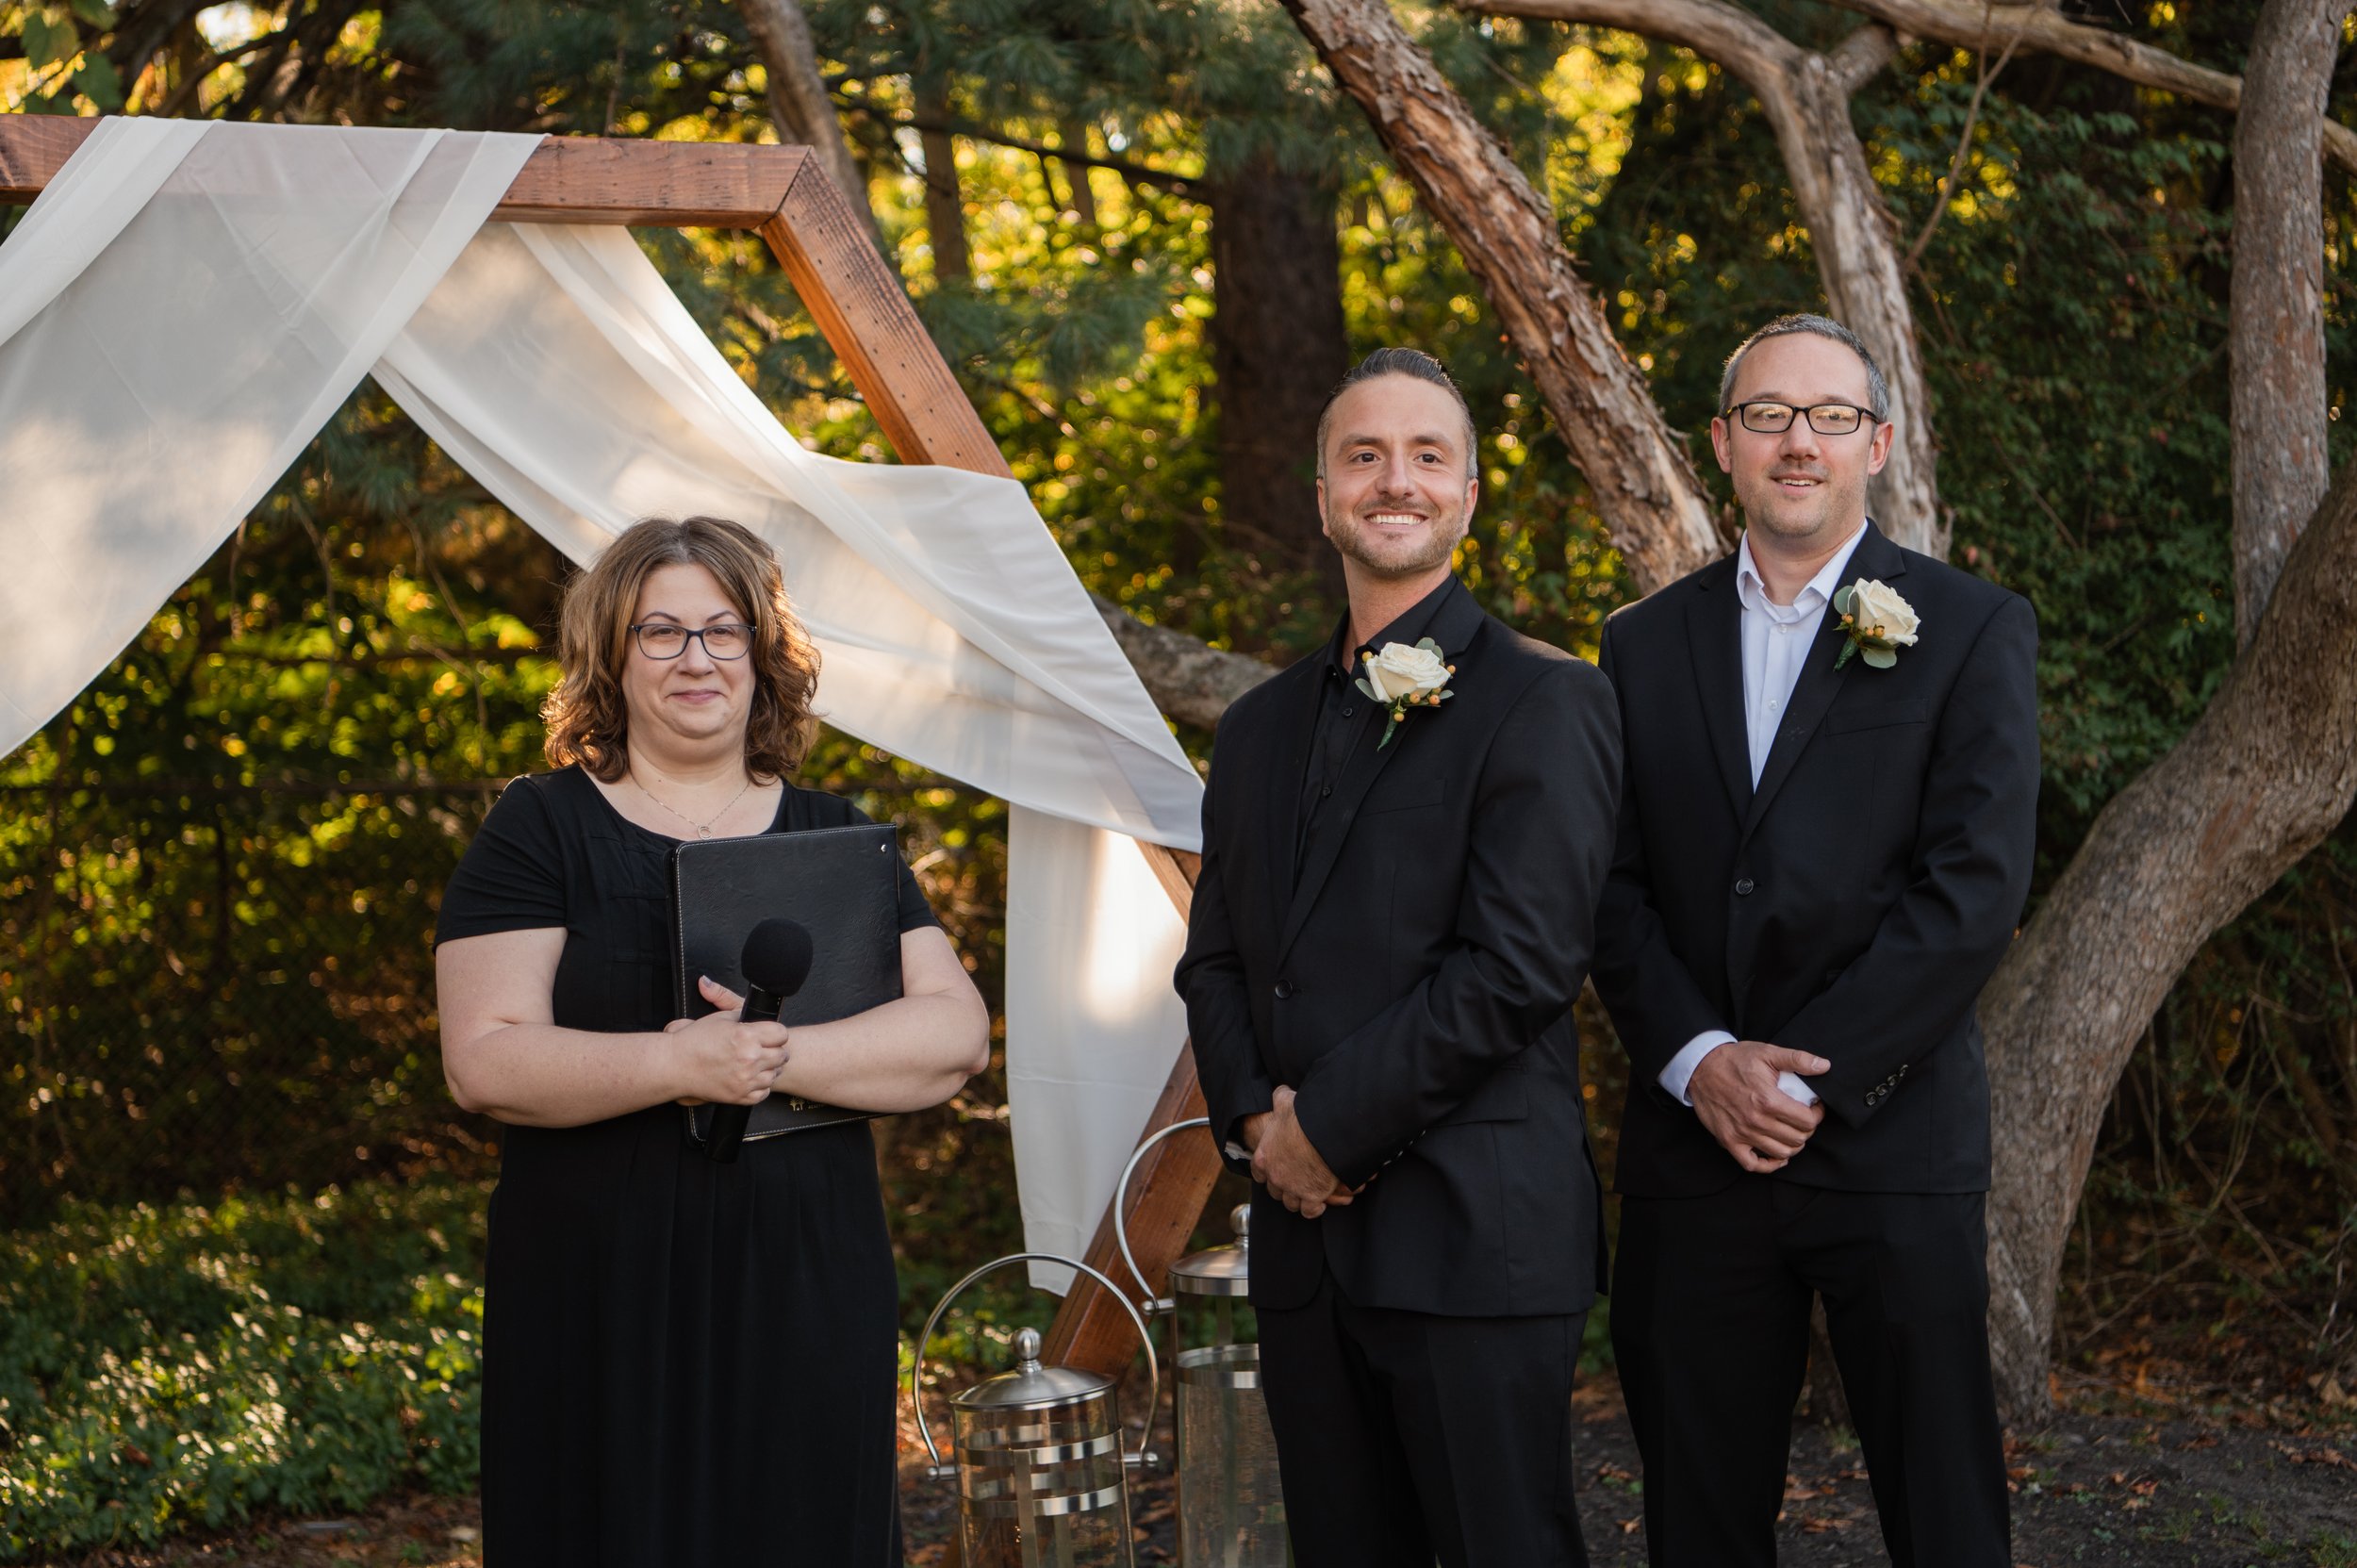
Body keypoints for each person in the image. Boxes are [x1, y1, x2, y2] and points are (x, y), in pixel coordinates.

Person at [434, 515, 990, 1567]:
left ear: (762, 653)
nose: (697, 658)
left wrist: (767, 1059)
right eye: (661, 631)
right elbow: (484, 1058)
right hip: (597, 1286)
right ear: (611, 655)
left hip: (806, 1281)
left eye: (724, 630)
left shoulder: (834, 835)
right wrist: (676, 1063)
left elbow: (955, 1035)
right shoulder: (541, 828)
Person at [1591, 314, 2038, 1567]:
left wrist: (1798, 1078)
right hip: (1693, 1151)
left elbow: (1973, 891)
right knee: (1699, 1521)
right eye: (1768, 415)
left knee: (1944, 1516)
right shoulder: (1637, 644)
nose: (1800, 441)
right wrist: (1702, 1061)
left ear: (1877, 444)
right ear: (1721, 442)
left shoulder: (1970, 626)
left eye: (1830, 416)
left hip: (1891, 1139)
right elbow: (1606, 888)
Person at [1175, 348, 1620, 1568]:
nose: (1395, 479)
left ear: (1467, 495)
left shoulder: (1544, 698)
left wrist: (1324, 1131)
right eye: (1363, 455)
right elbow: (1215, 960)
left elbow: (1519, 966)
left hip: (1474, 1237)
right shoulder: (1257, 729)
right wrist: (1256, 1128)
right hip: (1304, 1251)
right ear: (1322, 494)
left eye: (1427, 455)